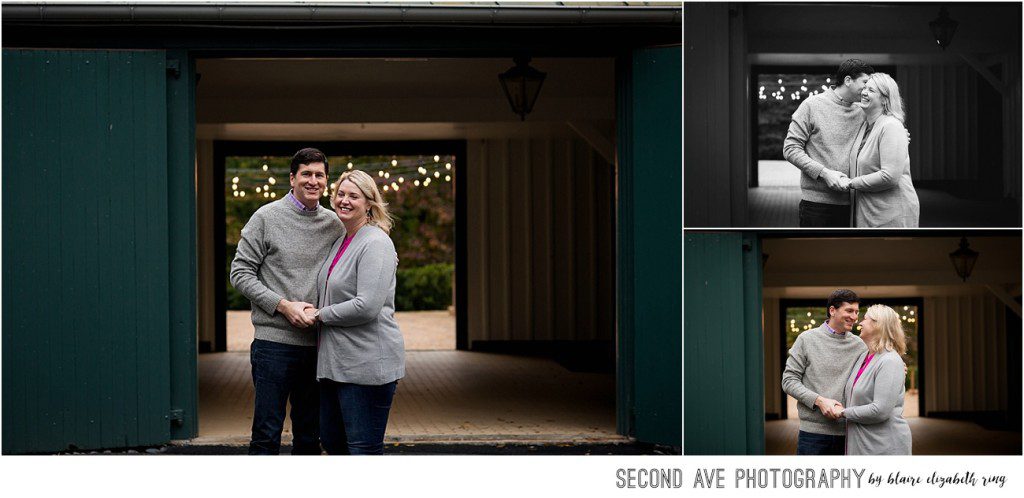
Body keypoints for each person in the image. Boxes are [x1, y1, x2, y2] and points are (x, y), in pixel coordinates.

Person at [229, 147, 344, 455]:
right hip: (273, 344)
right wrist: (283, 305)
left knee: (309, 435)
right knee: (267, 433)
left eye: (319, 175)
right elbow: (239, 273)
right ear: (292, 178)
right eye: (306, 174)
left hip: (318, 343)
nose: (313, 180)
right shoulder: (265, 218)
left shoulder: (334, 224)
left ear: (326, 181)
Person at [307, 169, 405, 455]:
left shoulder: (376, 243)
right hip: (336, 367)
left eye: (354, 195)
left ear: (369, 204)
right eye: (340, 194)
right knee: (335, 446)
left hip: (367, 367)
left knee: (362, 451)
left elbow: (367, 306)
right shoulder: (342, 239)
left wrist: (319, 315)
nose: (344, 200)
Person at [783, 59, 874, 227]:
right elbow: (790, 149)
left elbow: (877, 138)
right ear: (848, 81)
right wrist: (824, 173)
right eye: (865, 83)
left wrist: (898, 133)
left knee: (848, 254)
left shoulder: (864, 111)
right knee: (815, 254)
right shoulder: (811, 106)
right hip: (816, 206)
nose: (868, 90)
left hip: (855, 203)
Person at [781, 289, 867, 455]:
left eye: (857, 312)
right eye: (849, 310)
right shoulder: (806, 339)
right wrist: (819, 401)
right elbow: (789, 381)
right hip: (813, 435)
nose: (855, 317)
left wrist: (897, 366)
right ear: (832, 310)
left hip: (850, 433)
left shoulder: (860, 346)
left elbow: (874, 371)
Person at [838, 73, 920, 227]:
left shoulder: (891, 126)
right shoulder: (866, 125)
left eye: (871, 90)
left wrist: (851, 183)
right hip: (871, 213)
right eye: (864, 88)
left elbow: (889, 176)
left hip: (892, 215)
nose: (864, 92)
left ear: (885, 99)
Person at [837, 304, 912, 454]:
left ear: (878, 325)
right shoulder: (864, 357)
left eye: (865, 319)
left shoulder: (890, 361)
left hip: (884, 448)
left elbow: (880, 411)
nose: (860, 322)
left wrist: (843, 412)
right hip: (865, 445)